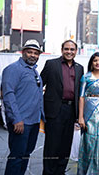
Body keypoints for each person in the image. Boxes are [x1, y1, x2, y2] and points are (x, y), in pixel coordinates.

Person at [2, 39, 45, 175]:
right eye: (29, 52)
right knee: (17, 156)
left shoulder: (34, 71)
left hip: (33, 122)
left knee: (26, 154)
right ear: (23, 52)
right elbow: (8, 95)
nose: (33, 55)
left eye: (36, 53)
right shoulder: (13, 69)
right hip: (21, 122)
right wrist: (16, 119)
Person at [41, 40, 84, 175]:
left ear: (76, 51)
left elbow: (80, 92)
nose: (69, 52)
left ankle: (60, 172)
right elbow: (39, 85)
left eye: (72, 49)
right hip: (54, 110)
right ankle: (48, 172)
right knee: (52, 146)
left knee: (66, 146)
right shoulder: (51, 64)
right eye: (67, 49)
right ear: (61, 49)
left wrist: (79, 115)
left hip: (71, 111)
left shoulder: (79, 68)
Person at [77, 52, 99, 175]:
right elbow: (81, 97)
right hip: (88, 113)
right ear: (91, 63)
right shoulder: (86, 77)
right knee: (88, 142)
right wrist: (80, 117)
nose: (97, 63)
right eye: (95, 60)